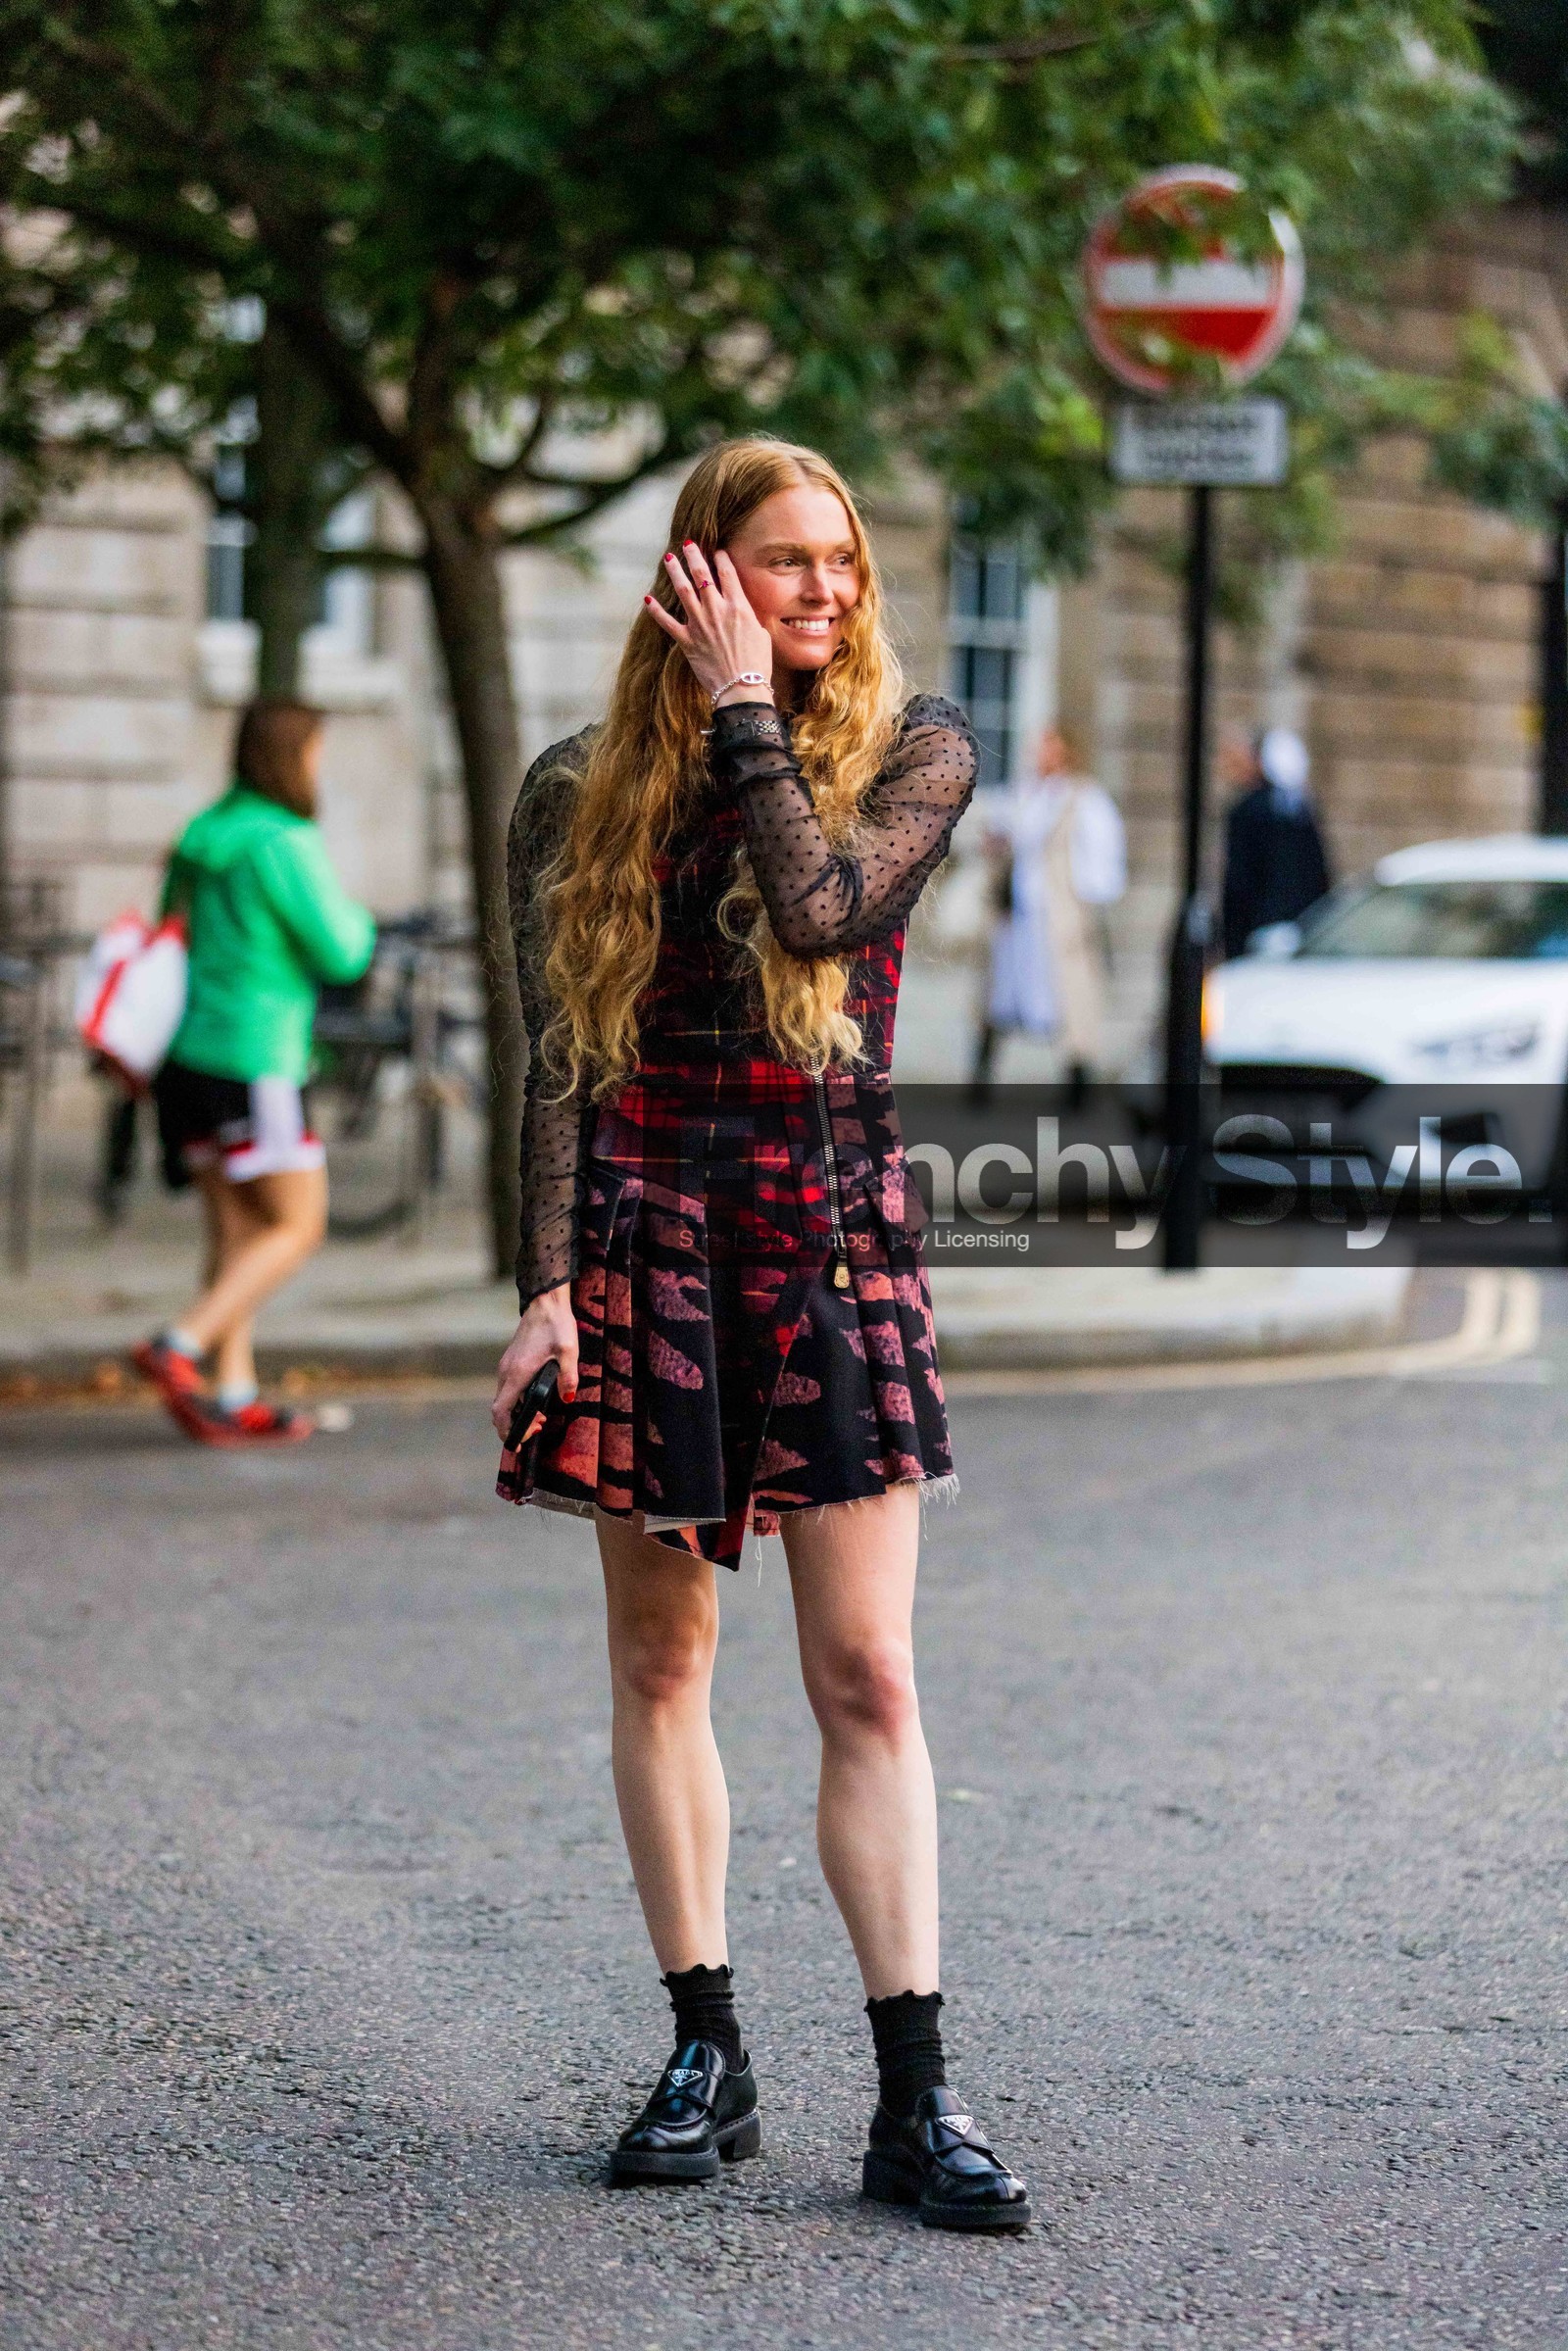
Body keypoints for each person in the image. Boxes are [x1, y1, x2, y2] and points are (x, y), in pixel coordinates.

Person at [493, 438, 1030, 2229]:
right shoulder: (576, 788)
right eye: (785, 559)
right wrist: (546, 1285)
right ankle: (705, 2047)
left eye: (840, 559)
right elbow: (561, 1055)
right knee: (662, 1664)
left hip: (829, 1241)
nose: (826, 589)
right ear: (700, 571)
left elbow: (819, 908)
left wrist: (745, 712)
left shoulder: (914, 749)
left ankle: (916, 2093)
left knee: (867, 1671)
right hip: (648, 1238)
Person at [132, 700, 376, 1445]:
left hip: (187, 1059)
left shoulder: (204, 832)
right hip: (257, 1057)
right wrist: (363, 921)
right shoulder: (282, 840)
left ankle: (232, 1394)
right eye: (315, 752)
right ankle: (178, 1344)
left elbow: (169, 921)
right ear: (293, 756)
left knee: (236, 1231)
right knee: (297, 1224)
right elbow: (342, 951)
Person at [969, 725, 1126, 1103]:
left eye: (1048, 747)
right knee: (998, 994)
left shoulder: (1083, 798)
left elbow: (1103, 857)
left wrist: (1087, 904)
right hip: (1017, 914)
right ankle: (981, 1075)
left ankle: (1078, 1080)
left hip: (1059, 915)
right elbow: (997, 837)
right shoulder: (1021, 793)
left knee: (1071, 996)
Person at [1220, 724, 1331, 959]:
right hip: (1302, 929)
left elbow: (1239, 884)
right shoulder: (1301, 812)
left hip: (1259, 934)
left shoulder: (1248, 811)